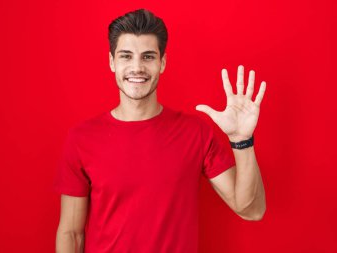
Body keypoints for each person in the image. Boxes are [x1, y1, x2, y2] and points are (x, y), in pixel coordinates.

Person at [54, 8, 266, 253]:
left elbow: (252, 209)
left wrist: (242, 140)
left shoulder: (195, 133)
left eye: (147, 57)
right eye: (126, 56)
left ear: (162, 62)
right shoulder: (82, 139)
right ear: (112, 61)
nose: (137, 67)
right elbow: (71, 234)